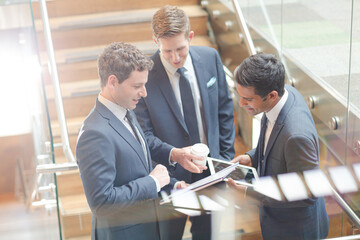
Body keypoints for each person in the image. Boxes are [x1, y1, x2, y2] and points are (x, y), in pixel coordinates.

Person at [134, 5, 235, 240]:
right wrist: (175, 157)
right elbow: (144, 137)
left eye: (180, 49)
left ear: (190, 36)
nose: (175, 57)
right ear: (155, 41)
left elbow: (225, 111)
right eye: (167, 51)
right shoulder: (144, 78)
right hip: (170, 181)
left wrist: (224, 161)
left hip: (212, 176)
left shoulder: (211, 58)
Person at [76, 42, 184, 240]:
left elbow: (136, 163)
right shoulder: (94, 134)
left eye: (144, 85)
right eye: (137, 86)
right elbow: (102, 203)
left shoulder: (125, 110)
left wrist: (171, 184)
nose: (144, 93)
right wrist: (152, 182)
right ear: (113, 82)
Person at [227, 53, 329, 240]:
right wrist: (252, 156)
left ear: (272, 96)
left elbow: (307, 193)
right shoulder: (283, 94)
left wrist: (252, 192)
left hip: (295, 231)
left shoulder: (296, 136)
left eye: (248, 99)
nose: (241, 104)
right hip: (277, 222)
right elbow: (273, 142)